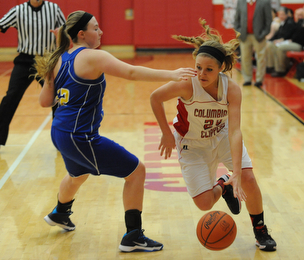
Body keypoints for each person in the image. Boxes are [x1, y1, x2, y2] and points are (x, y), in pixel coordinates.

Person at [34, 11, 197, 252]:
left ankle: (60, 213)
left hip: (60, 133)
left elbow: (44, 102)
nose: (100, 32)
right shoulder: (92, 57)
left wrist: (50, 78)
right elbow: (130, 72)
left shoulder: (60, 59)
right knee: (136, 171)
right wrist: (171, 74)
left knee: (78, 174)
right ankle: (133, 235)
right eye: (96, 28)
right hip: (81, 136)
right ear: (82, 34)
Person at [150, 19, 277, 251]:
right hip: (191, 143)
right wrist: (166, 133)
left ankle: (260, 230)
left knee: (248, 179)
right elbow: (155, 98)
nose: (201, 73)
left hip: (221, 135)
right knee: (204, 203)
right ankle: (223, 186)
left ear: (221, 69)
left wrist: (237, 173)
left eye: (209, 69)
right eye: (198, 67)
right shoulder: (187, 84)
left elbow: (236, 131)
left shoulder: (232, 89)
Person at [0, 0, 66, 147]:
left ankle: (62, 139)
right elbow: (1, 24)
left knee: (58, 97)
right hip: (25, 60)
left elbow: (66, 29)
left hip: (46, 60)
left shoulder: (53, 9)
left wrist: (61, 34)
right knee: (11, 97)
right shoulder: (18, 10)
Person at [234, 0, 272, 88]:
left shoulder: (264, 2)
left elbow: (268, 20)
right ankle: (247, 79)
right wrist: (239, 32)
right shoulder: (241, 2)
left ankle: (259, 80)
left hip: (259, 36)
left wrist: (264, 33)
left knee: (261, 57)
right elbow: (237, 19)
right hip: (244, 35)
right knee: (245, 58)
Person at [266, 6, 297, 77]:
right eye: (280, 14)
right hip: (282, 41)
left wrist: (279, 40)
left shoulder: (290, 23)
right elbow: (277, 35)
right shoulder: (282, 22)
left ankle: (280, 69)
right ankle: (271, 66)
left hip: (287, 42)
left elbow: (288, 35)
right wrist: (271, 40)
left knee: (278, 47)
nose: (281, 16)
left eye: (282, 14)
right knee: (269, 45)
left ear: (287, 14)